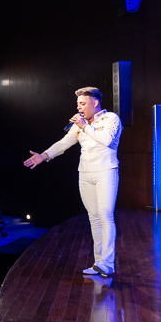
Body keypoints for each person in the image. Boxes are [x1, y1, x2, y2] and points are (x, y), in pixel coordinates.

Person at [24, 86, 122, 278]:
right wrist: (43, 156)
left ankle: (108, 263)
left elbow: (107, 140)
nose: (79, 108)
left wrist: (85, 125)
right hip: (85, 174)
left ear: (95, 103)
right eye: (78, 104)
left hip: (106, 172)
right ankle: (99, 263)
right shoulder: (80, 124)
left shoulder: (110, 118)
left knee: (105, 215)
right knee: (94, 217)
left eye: (83, 103)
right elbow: (64, 143)